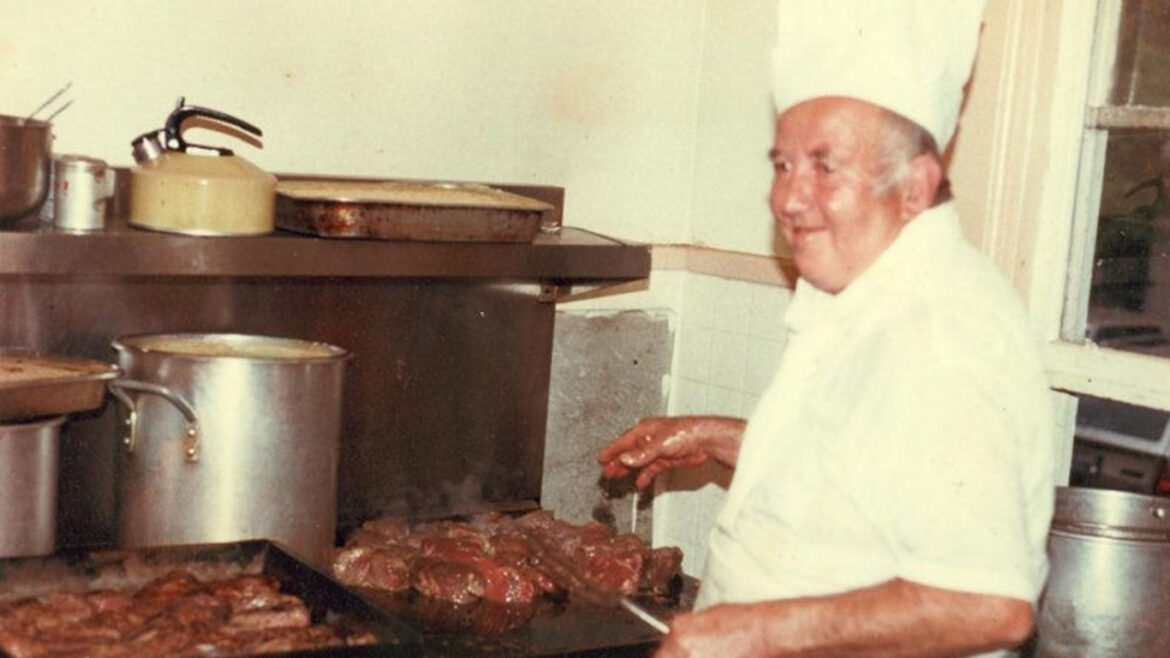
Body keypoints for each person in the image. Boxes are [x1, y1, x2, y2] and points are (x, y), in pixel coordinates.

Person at [598, 2, 1057, 657]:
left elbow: (987, 603)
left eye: (825, 165)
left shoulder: (937, 334)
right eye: (783, 165)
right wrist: (724, 439)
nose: (787, 197)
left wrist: (747, 632)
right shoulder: (870, 291)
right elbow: (874, 462)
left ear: (916, 186)